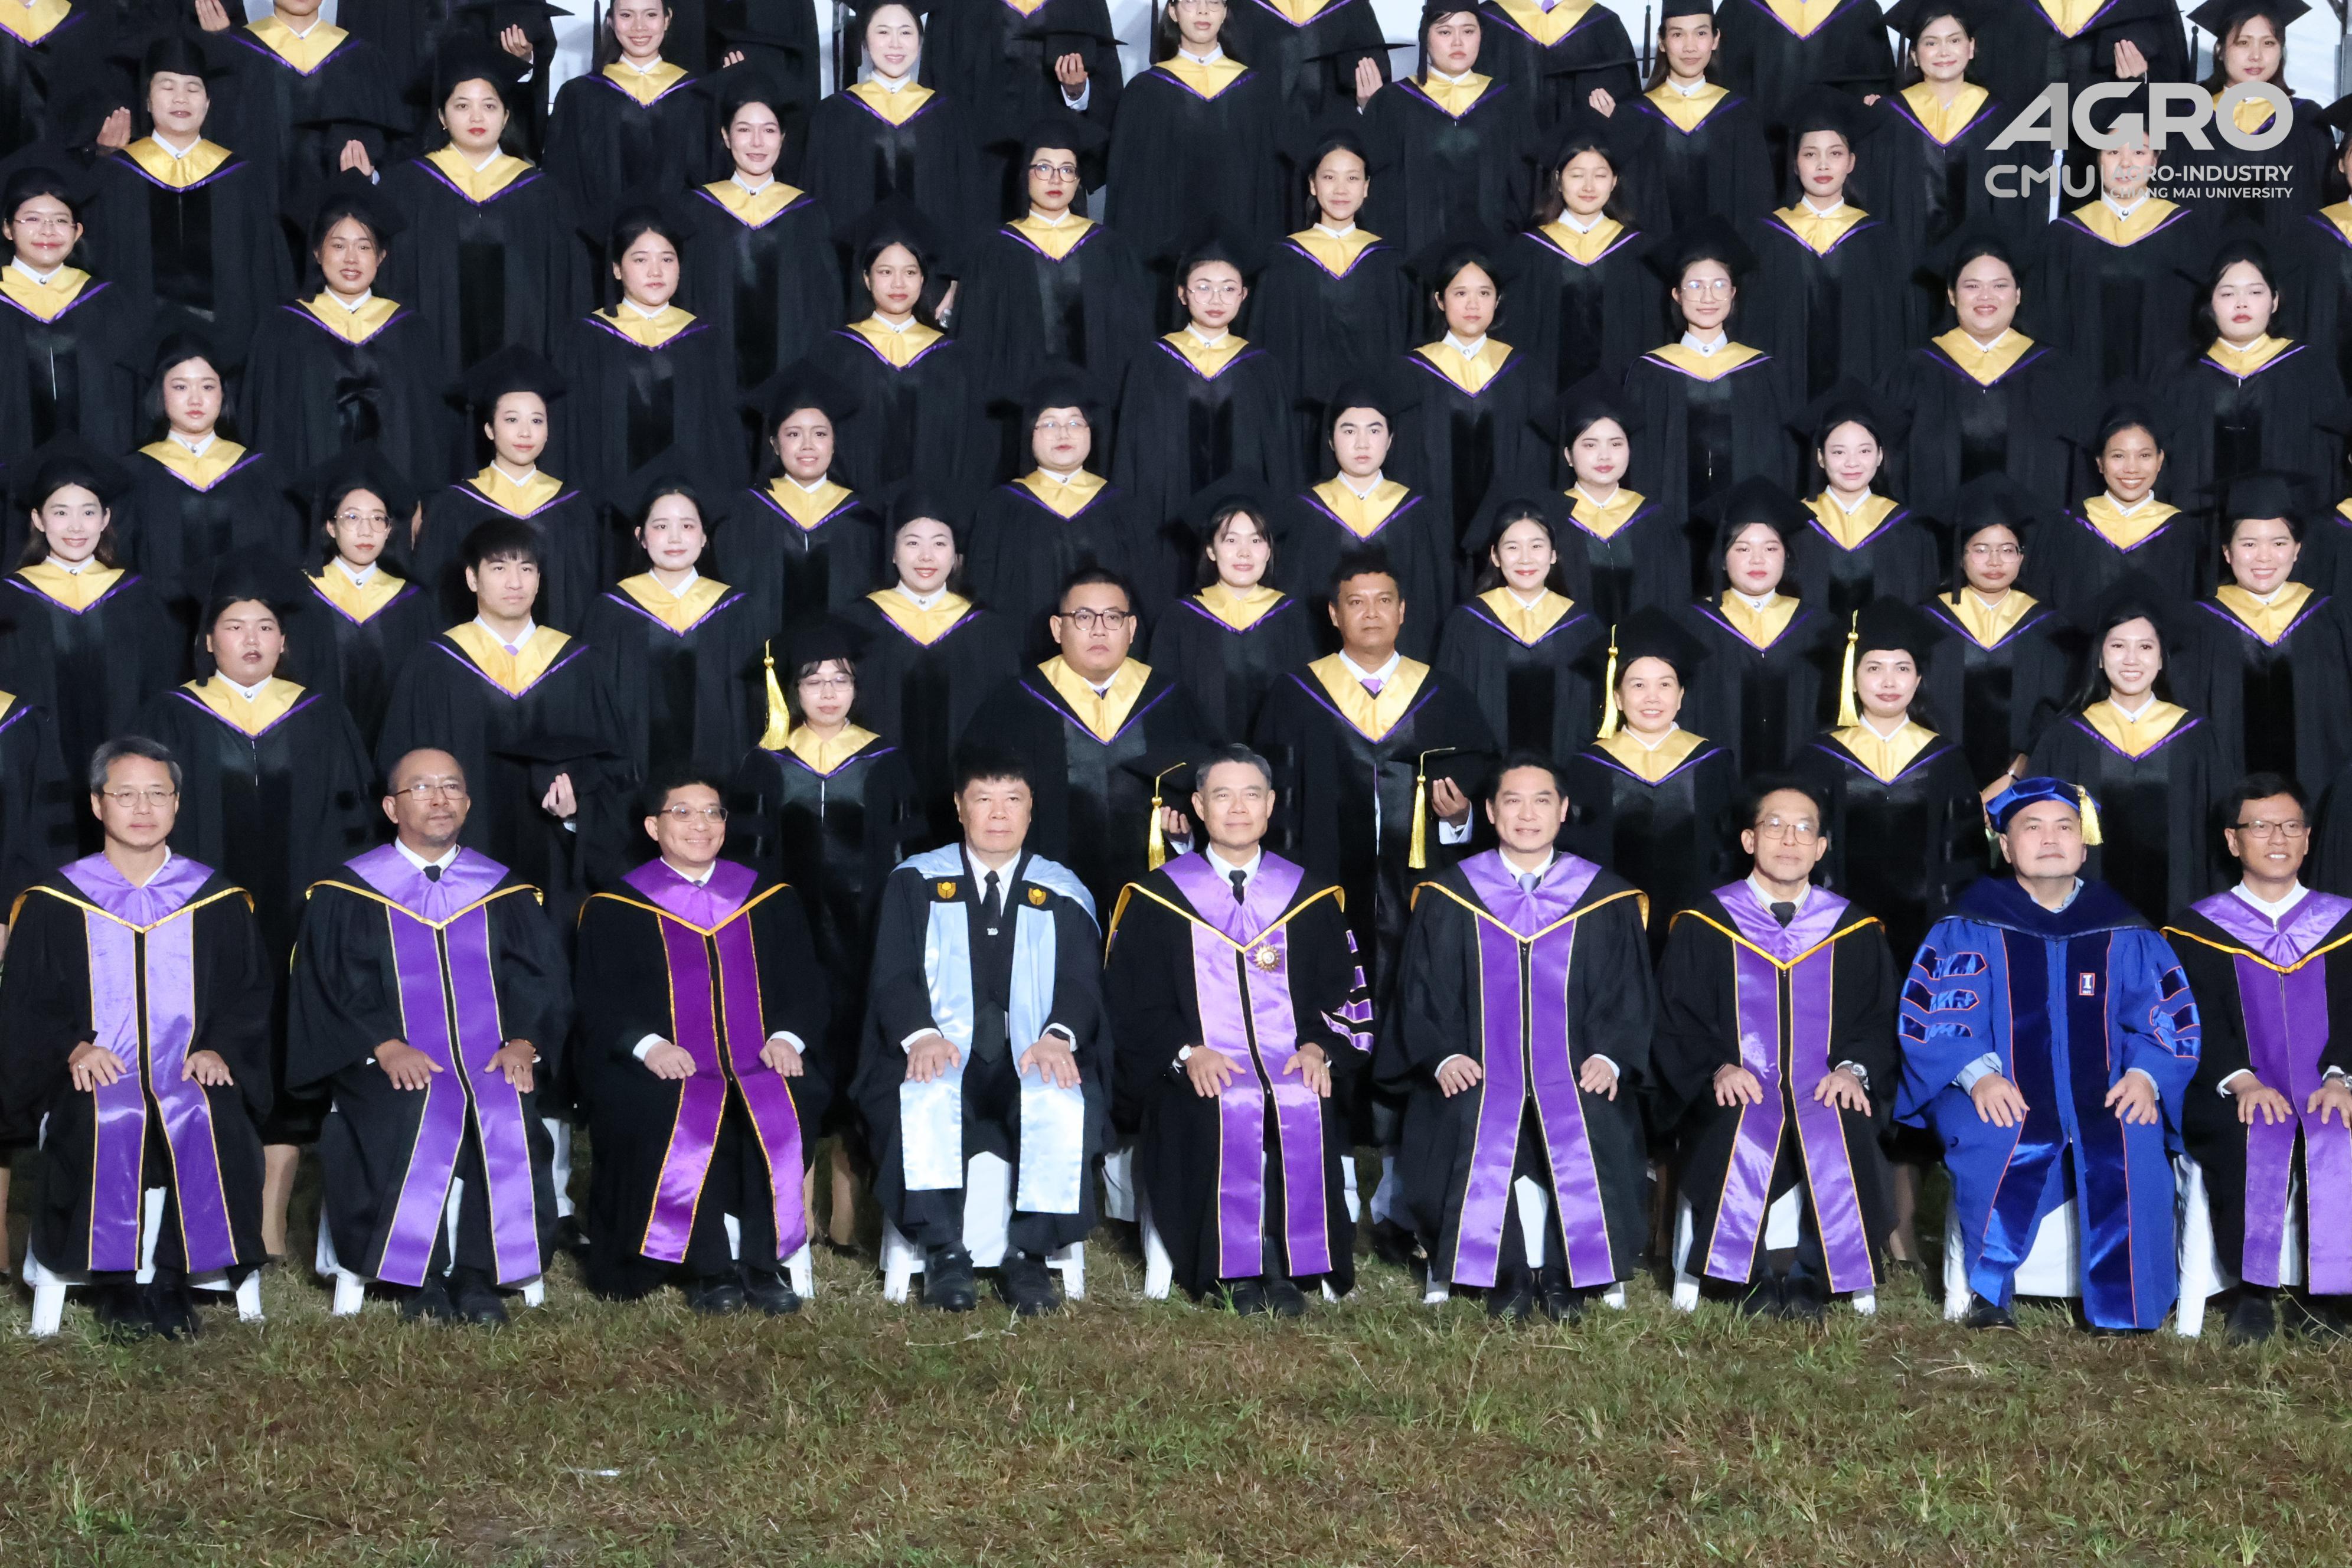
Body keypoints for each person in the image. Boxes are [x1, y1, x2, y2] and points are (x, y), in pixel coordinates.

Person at [1897, 776, 2202, 1331]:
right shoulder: (1969, 924)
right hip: (1995, 1084)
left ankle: (2128, 1304)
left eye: (2065, 827)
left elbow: (2164, 1018)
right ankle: (1989, 1294)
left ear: (2083, 847)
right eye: (2032, 827)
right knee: (1995, 1131)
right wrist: (1978, 1076)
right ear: (2006, 846)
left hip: (2106, 1086)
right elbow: (1939, 1016)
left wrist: (2146, 1076)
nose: (2050, 839)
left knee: (2133, 1133)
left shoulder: (2122, 927)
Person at [132, 576, 376, 1260]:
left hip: (299, 917)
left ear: (284, 641)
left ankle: (270, 1222)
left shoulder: (319, 714)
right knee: (212, 1036)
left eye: (265, 627)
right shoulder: (171, 715)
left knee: (289, 1045)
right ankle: (206, 1204)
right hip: (201, 918)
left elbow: (353, 824)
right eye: (235, 626)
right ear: (208, 642)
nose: (251, 639)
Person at [0, 733, 272, 1340]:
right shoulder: (54, 901)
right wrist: (72, 1046)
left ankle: (172, 1279)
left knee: (209, 1112)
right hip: (93, 1072)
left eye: (158, 794)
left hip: (188, 1068)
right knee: (108, 1114)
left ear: (177, 804)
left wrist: (219, 1047)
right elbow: (25, 1003)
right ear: (98, 804)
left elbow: (248, 994)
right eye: (125, 795)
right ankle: (116, 1284)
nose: (143, 808)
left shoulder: (215, 898)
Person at [288, 747, 567, 1324]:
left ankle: (479, 1274)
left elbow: (540, 979)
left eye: (452, 786)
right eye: (421, 787)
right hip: (383, 1061)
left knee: (505, 1102)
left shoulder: (503, 891)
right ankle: (418, 1276)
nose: (439, 798)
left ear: (468, 802)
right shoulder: (349, 892)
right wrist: (384, 1044)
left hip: (489, 1059)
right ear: (392, 807)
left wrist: (523, 1041)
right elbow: (330, 986)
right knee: (415, 1104)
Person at [1381, 754, 1654, 1318]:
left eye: (1541, 801)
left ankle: (1564, 1272)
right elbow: (1422, 992)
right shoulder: (1451, 895)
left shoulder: (1603, 898)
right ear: (1489, 812)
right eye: (1512, 801)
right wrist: (1443, 1055)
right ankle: (1503, 1270)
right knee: (1464, 1113)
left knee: (1592, 1115)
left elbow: (1628, 994)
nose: (1527, 814)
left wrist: (1609, 1057)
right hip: (1478, 1066)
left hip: (1574, 1068)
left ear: (1563, 811)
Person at [1106, 744, 1370, 1309]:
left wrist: (1319, 1048)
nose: (1238, 808)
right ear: (1200, 807)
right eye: (1222, 796)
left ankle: (1290, 1262)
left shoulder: (1308, 896)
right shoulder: (1159, 898)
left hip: (1289, 1060)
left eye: (1252, 795)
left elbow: (1345, 992)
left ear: (1271, 805)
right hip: (1197, 1069)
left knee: (1298, 1095)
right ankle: (1233, 1270)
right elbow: (1131, 1004)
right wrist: (1185, 1052)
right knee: (1227, 1099)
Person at [850, 745, 1106, 1315]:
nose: (998, 813)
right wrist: (921, 1034)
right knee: (920, 1094)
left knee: (1061, 1096)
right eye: (984, 799)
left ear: (1031, 809)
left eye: (1013, 799)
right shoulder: (916, 882)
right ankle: (945, 1252)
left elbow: (1082, 982)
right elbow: (893, 975)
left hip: (1031, 1052)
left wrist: (1058, 1036)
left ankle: (1030, 1256)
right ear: (959, 808)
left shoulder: (1061, 889)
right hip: (939, 1048)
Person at [574, 771, 829, 1312]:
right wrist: (650, 1046)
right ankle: (707, 1268)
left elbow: (806, 985)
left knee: (787, 1095)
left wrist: (787, 1038)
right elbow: (599, 1000)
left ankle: (763, 1263)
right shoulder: (617, 906)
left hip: (757, 1058)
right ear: (653, 827)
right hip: (664, 1064)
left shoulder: (767, 898)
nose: (701, 824)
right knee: (671, 1105)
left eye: (713, 813)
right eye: (683, 812)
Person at [1654, 779, 1897, 1316]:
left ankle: (1817, 1273)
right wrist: (1718, 1067)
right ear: (1749, 840)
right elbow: (1676, 1019)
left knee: (1844, 1117)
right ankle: (1747, 1275)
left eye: (1804, 829)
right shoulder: (1706, 924)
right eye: (1775, 826)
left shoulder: (1852, 929)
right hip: (1735, 1083)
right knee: (1735, 1115)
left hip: (1824, 1083)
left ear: (1821, 847)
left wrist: (1853, 1070)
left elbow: (1878, 1019)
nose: (1790, 840)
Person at [728, 625, 917, 1254]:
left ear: (857, 688)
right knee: (796, 1049)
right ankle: (797, 1194)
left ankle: (849, 1203)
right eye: (814, 681)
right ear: (792, 690)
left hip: (870, 937)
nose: (829, 692)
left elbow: (905, 858)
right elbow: (750, 864)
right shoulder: (767, 763)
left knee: (861, 1050)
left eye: (841, 679)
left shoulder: (886, 761)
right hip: (790, 936)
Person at [1255, 546, 1493, 1020]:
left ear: (1402, 611)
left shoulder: (1443, 695)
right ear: (1334, 614)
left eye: (1384, 601)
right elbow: (1272, 803)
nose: (1371, 613)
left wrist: (1461, 818)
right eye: (1356, 602)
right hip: (1323, 883)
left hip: (1420, 887)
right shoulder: (1295, 696)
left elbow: (1485, 788)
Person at [2164, 773, 2352, 1341]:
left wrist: (2341, 1076)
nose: (2278, 838)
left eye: (2291, 826)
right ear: (2233, 840)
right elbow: (2190, 1019)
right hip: (2231, 1088)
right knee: (2255, 1130)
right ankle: (2253, 1294)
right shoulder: (2196, 930)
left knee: (2338, 1129)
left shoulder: (2343, 924)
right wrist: (2241, 1081)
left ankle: (2330, 1296)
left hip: (2330, 1082)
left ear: (2308, 838)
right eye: (2261, 826)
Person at [374, 517, 628, 926]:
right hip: (460, 860)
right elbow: (401, 767)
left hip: (556, 860)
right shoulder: (433, 665)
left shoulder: (578, 664)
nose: (515, 582)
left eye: (527, 568)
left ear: (540, 580)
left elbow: (613, 772)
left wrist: (576, 812)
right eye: (499, 568)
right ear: (472, 579)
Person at [961, 566, 1208, 916]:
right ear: (1057, 628)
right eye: (1083, 617)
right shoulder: (1014, 705)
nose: (1098, 629)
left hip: (1154, 898)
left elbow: (1208, 798)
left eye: (1113, 617)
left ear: (1131, 629)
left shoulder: (1171, 702)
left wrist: (1184, 839)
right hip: (1044, 902)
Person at [0, 436, 177, 853]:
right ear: (38, 520)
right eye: (61, 512)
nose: (76, 527)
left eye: (88, 511)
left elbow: (159, 694)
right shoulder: (11, 601)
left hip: (125, 775)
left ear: (106, 518)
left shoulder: (137, 598)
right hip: (37, 777)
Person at [381, 35, 579, 383]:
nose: (477, 117)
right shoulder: (407, 189)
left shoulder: (542, 195)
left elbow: (560, 296)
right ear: (442, 116)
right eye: (462, 106)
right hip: (431, 369)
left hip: (519, 375)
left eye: (489, 106)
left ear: (506, 116)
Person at [1112, 234, 1299, 597]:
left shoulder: (1262, 368)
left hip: (1242, 530)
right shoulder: (1152, 363)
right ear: (1182, 294)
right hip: (1164, 524)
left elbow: (1280, 463)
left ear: (1244, 296)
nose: (1216, 299)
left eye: (1228, 289)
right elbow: (1132, 457)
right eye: (1203, 287)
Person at [1795, 596, 1981, 961]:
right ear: (1852, 678)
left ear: (1919, 679)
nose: (1889, 682)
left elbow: (1963, 862)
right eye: (1874, 668)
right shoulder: (1819, 759)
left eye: (1903, 668)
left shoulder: (1946, 760)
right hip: (1834, 935)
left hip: (1930, 939)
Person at [242, 171, 455, 491]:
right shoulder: (284, 331)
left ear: (382, 256)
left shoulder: (411, 332)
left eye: (364, 247)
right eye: (338, 245)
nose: (351, 259)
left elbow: (429, 438)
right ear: (317, 252)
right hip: (309, 504)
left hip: (393, 507)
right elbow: (271, 434)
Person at [2029, 583, 2228, 925]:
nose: (2132, 659)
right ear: (2100, 658)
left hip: (2182, 917)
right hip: (2084, 919)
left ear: (2162, 659)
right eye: (2118, 646)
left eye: (2146, 647)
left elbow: (2217, 837)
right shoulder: (2067, 737)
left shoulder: (2196, 736)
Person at [86, 32, 289, 363]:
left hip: (229, 354)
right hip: (134, 351)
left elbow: (263, 273)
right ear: (147, 101)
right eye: (167, 87)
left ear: (208, 103)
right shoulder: (117, 176)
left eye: (193, 89)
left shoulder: (241, 177)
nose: (181, 98)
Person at [953, 116, 1152, 442]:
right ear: (1025, 174)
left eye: (1067, 169)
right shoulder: (995, 252)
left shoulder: (1110, 250)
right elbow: (978, 348)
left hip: (1096, 415)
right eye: (1043, 168)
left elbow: (1130, 344)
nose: (1056, 179)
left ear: (1078, 180)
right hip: (1014, 416)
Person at [840, 494, 1020, 845]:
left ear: (956, 556)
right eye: (912, 543)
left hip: (968, 799)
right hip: (874, 794)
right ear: (893, 553)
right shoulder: (858, 624)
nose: (926, 556)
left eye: (939, 543)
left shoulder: (989, 632)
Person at [117, 319, 304, 648]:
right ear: (160, 393)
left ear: (223, 393)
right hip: (156, 637)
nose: (196, 399)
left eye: (207, 386)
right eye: (180, 387)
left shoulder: (261, 474)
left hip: (244, 644)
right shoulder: (134, 475)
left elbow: (283, 560)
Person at [553, 194, 746, 507]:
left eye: (667, 259)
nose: (656, 271)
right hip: (603, 508)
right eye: (640, 260)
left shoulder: (705, 341)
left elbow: (721, 441)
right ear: (617, 269)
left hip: (686, 512)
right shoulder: (586, 339)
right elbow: (573, 437)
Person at [1881, 227, 2085, 522]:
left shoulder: (2055, 372)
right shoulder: (1913, 370)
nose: (1986, 296)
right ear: (1952, 295)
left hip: (2033, 537)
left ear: (2018, 295)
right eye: (1972, 286)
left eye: (2000, 285)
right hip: (1934, 535)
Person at [1562, 606, 1735, 949]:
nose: (1652, 697)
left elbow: (1725, 858)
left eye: (1665, 685)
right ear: (1617, 697)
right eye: (1638, 685)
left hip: (1697, 930)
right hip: (1611, 933)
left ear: (1681, 696)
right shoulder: (1589, 767)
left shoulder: (1713, 763)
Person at [1103, 0, 1288, 319]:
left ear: (1225, 11)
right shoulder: (1144, 93)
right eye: (1191, 1)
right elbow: (1130, 202)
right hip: (1162, 261)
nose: (1203, 11)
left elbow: (1269, 193)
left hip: (1240, 249)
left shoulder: (1256, 92)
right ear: (1173, 12)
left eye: (1214, 2)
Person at [583, 465, 766, 781]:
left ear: (705, 536)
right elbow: (596, 708)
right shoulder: (611, 613)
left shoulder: (735, 611)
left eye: (687, 525)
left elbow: (750, 709)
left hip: (719, 782)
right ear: (640, 537)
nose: (675, 538)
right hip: (631, 783)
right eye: (661, 526)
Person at [682, 64, 844, 403]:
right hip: (714, 384)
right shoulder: (698, 211)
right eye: (744, 129)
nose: (757, 142)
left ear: (783, 138)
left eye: (769, 130)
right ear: (726, 136)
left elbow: (822, 311)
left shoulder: (807, 215)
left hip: (791, 387)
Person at [2179, 473, 2352, 790]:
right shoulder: (2198, 625)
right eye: (2248, 544)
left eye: (2279, 543)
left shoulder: (2330, 619)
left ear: (2297, 549)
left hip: (2321, 797)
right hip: (2228, 799)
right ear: (2227, 552)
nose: (2264, 556)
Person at [1253, 129, 1412, 469]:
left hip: (1370, 427)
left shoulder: (1390, 263)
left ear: (1367, 187)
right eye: (1329, 177)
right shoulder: (1282, 261)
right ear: (1312, 185)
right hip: (1298, 425)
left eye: (1352, 178)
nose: (1341, 189)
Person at [1857, 0, 2014, 342]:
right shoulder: (1889, 118)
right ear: (1914, 55)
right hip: (1904, 272)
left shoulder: (2001, 118)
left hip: (1979, 275)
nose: (1944, 51)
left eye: (1954, 40)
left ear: (1971, 47)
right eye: (1931, 42)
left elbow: (2015, 207)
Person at [808, 198, 983, 505]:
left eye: (910, 273)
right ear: (866, 278)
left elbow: (962, 450)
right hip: (853, 512)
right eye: (886, 272)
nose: (899, 284)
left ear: (924, 279)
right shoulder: (838, 352)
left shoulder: (950, 357)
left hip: (931, 516)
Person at [1622, 215, 1794, 529]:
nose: (1708, 297)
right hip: (1668, 523)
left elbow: (1776, 459)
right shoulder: (1651, 373)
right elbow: (1642, 460)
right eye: (1695, 286)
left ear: (1733, 293)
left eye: (1719, 285)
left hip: (1743, 528)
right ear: (1676, 294)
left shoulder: (1760, 371)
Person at [966, 364, 1149, 657]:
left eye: (1075, 423)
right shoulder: (1001, 507)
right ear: (1030, 434)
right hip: (1023, 663)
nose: (1064, 434)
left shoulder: (1121, 507)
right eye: (1049, 424)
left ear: (1092, 433)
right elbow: (985, 596)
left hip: (1107, 667)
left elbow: (1144, 597)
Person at [414, 345, 599, 629]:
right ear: (489, 429)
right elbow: (438, 599)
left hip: (556, 652)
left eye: (537, 420)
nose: (525, 432)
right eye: (512, 420)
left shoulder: (573, 507)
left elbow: (582, 599)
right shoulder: (455, 505)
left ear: (548, 431)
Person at [1739, 87, 1905, 404]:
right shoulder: (1768, 237)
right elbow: (1755, 329)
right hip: (1783, 399)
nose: (1823, 165)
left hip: (1858, 406)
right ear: (1794, 163)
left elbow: (1887, 337)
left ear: (1852, 162)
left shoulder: (1876, 239)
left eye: (1836, 153)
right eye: (1810, 154)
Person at [1919, 472, 2074, 797]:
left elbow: (2055, 712)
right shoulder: (1928, 622)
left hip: (2023, 785)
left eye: (2007, 550)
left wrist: (2016, 775)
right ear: (1960, 557)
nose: (1994, 561)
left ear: (2022, 557)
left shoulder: (2048, 626)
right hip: (1938, 781)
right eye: (1981, 549)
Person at [2166, 234, 2347, 512]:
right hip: (2197, 526)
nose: (2242, 303)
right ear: (2210, 305)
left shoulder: (2309, 370)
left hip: (2290, 527)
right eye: (2228, 293)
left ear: (2275, 301)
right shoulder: (2180, 375)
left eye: (2255, 292)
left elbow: (2329, 465)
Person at [1274, 379, 1451, 660]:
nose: (1362, 443)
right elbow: (1294, 611)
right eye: (1349, 430)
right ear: (1330, 440)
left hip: (1403, 671)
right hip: (1321, 669)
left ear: (1390, 440)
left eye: (1374, 430)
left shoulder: (1418, 513)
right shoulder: (1306, 512)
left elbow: (1430, 606)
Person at [1398, 234, 1542, 574]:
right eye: (1460, 293)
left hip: (1505, 536)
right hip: (1433, 531)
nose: (1473, 305)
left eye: (1484, 293)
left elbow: (1532, 460)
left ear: (1498, 300)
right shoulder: (1414, 372)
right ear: (1439, 300)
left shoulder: (1520, 372)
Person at [2043, 87, 2203, 389]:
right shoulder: (2066, 235)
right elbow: (2050, 323)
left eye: (2139, 152)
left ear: (2155, 160)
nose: (2126, 164)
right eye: (2113, 152)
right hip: (2081, 389)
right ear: (2098, 159)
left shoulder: (2183, 229)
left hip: (2166, 390)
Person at [1677, 475, 1834, 775]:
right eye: (1743, 549)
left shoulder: (1817, 628)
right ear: (1722, 560)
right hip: (1715, 777)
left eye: (1771, 549)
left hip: (1799, 783)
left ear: (1787, 557)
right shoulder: (1692, 625)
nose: (1758, 560)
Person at [286, 446, 437, 749]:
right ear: (330, 526)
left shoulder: (412, 603)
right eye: (352, 517)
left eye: (378, 519)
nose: (366, 531)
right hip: (318, 748)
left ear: (389, 530)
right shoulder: (299, 596)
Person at [717, 359, 881, 632]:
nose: (808, 445)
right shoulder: (744, 514)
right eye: (793, 434)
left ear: (834, 443)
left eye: (820, 434)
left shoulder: (862, 516)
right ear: (774, 444)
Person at [1148, 478, 1316, 742]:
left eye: (1256, 540)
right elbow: (1165, 708)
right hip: (1202, 764)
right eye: (1231, 540)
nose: (1244, 553)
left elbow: (1305, 708)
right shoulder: (1179, 620)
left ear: (1269, 551)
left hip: (1278, 764)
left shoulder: (1290, 616)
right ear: (1211, 551)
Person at [922, 0, 1122, 221]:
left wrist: (1077, 93)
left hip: (1053, 162)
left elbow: (1106, 80)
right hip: (979, 169)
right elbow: (940, 77)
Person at [1501, 115, 1657, 400]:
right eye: (1576, 175)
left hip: (1620, 404)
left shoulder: (1638, 252)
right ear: (1558, 181)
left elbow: (1647, 338)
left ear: (1615, 182)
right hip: (1544, 400)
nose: (1589, 186)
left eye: (1600, 175)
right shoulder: (1529, 252)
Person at [0, 157, 143, 467]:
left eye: (61, 220)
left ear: (78, 232)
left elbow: (128, 397)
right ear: (8, 229)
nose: (48, 231)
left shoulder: (104, 301)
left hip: (95, 470)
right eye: (32, 219)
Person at [1435, 501, 1604, 759]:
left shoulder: (1582, 627)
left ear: (1553, 554)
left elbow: (1592, 715)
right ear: (1495, 556)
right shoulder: (1467, 625)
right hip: (1486, 775)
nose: (1526, 558)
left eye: (1536, 546)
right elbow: (1451, 711)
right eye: (1512, 547)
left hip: (1565, 774)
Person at [801, 1, 982, 240]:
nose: (895, 43)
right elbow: (820, 200)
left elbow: (966, 206)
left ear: (920, 41)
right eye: (883, 32)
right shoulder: (834, 114)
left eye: (906, 33)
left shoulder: (946, 116)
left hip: (935, 259)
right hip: (852, 257)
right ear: (864, 41)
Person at [1360, 8, 1530, 257]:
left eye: (1468, 31)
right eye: (1445, 32)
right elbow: (1380, 196)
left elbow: (1523, 190)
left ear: (1482, 36)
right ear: (1425, 37)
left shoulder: (1506, 102)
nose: (1458, 42)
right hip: (1412, 256)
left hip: (1489, 259)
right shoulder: (1394, 102)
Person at [218, 0, 403, 219]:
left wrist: (370, 179)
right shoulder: (234, 56)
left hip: (340, 222)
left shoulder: (363, 60)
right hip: (254, 217)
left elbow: (393, 154)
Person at [541, 0, 711, 234]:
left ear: (667, 20)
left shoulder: (697, 96)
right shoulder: (579, 96)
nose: (639, 27)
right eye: (627, 15)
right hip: (598, 243)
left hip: (678, 243)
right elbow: (563, 184)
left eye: (650, 15)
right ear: (611, 21)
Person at [2028, 403, 2204, 624]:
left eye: (2145, 455)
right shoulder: (2066, 526)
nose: (2132, 468)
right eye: (2118, 456)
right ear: (2100, 463)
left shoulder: (2184, 532)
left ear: (2160, 461)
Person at [1612, 0, 1776, 236]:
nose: (1690, 47)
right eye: (1678, 34)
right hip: (1651, 256)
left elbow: (1755, 206)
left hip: (1724, 257)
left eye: (1701, 33)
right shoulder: (1635, 116)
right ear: (1662, 42)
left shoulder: (1739, 115)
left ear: (1715, 39)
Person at [1787, 380, 1937, 619]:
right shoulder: (1795, 525)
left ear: (1880, 456)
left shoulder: (1908, 529)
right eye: (1839, 452)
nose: (1852, 462)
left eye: (1864, 451)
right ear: (1820, 458)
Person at [2179, 0, 2330, 231]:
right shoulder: (2189, 120)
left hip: (2290, 252)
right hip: (2199, 251)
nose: (2256, 56)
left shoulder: (2306, 120)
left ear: (2281, 51)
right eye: (2243, 42)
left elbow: (2324, 203)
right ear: (2220, 50)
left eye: (2269, 43)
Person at [1540, 377, 1682, 620]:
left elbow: (1671, 600)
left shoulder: (1654, 520)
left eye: (1616, 444)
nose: (1604, 456)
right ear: (1568, 456)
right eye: (1590, 445)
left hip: (1642, 643)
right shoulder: (1549, 520)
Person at [1711, 0, 1892, 184]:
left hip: (1836, 178)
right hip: (1758, 166)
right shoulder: (1741, 6)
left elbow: (1872, 97)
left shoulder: (1859, 8)